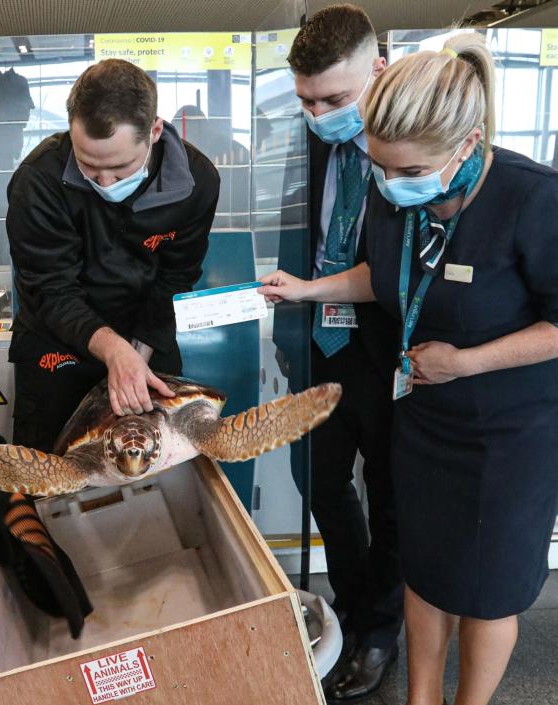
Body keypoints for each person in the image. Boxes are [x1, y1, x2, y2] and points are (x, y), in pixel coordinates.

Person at [260, 32, 558, 705]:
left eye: (409, 170)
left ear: (467, 143)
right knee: (424, 572)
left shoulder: (532, 198)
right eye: (381, 168)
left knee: (485, 589)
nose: (393, 186)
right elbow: (382, 274)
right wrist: (307, 290)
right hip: (425, 418)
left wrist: (466, 361)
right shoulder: (395, 191)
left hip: (506, 434)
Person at [272, 6, 403, 699]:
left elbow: (395, 270)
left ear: (377, 71)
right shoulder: (309, 139)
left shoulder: (411, 139)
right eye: (306, 100)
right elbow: (299, 228)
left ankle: (381, 628)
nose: (318, 114)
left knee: (389, 493)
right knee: (319, 480)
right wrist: (288, 334)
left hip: (388, 348)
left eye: (333, 99)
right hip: (318, 342)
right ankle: (353, 606)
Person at [6, 58, 220, 451]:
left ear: (154, 131)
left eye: (120, 170)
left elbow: (176, 277)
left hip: (147, 335)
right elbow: (51, 289)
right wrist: (114, 351)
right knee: (51, 467)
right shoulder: (38, 181)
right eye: (89, 166)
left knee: (147, 462)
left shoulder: (197, 181)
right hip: (59, 347)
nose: (104, 183)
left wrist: (136, 356)